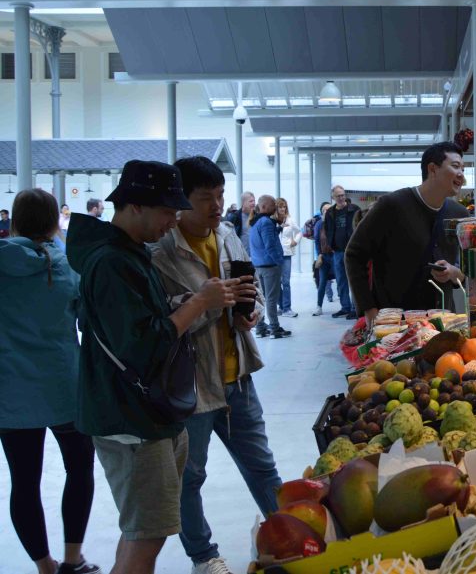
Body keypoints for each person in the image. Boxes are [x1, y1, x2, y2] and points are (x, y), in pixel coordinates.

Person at [66, 160, 239, 574]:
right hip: (132, 421)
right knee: (147, 533)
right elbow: (144, 346)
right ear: (134, 206)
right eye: (166, 211)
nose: (173, 220)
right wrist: (198, 303)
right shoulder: (111, 262)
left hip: (146, 415)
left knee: (144, 530)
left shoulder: (128, 254)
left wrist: (182, 305)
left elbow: (143, 323)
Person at [151, 157, 280, 574]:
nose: (216, 205)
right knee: (190, 478)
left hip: (237, 376)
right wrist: (205, 304)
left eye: (220, 195)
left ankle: (286, 537)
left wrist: (252, 312)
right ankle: (203, 556)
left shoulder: (227, 235)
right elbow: (162, 319)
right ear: (180, 200)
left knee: (262, 465)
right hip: (191, 386)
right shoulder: (161, 251)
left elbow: (251, 290)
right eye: (205, 197)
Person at [0, 189, 100, 574]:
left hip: (10, 391)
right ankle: (73, 560)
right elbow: (87, 321)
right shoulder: (67, 265)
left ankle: (45, 567)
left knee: (23, 482)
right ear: (55, 221)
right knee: (80, 469)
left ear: (15, 221)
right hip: (64, 384)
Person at [346, 142, 469, 323]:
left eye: (463, 169)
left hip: (442, 323)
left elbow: (466, 271)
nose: (461, 174)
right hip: (395, 324)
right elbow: (354, 254)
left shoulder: (460, 214)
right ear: (432, 169)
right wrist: (368, 307)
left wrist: (453, 273)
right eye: (455, 166)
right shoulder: (391, 206)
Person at [249, 195, 291, 339]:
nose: (275, 207)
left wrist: (277, 229)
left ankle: (261, 327)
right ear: (265, 207)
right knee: (271, 298)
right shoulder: (266, 222)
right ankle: (275, 328)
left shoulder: (255, 222)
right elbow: (270, 245)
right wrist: (279, 261)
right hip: (270, 266)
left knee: (261, 298)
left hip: (258, 265)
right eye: (273, 205)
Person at [321, 185, 362, 319]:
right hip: (338, 251)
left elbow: (361, 226)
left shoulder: (354, 209)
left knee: (354, 280)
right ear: (333, 197)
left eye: (343, 195)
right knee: (341, 280)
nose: (341, 198)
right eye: (338, 196)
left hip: (353, 250)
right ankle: (345, 307)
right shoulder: (330, 212)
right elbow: (327, 229)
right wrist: (331, 244)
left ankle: (356, 308)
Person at [276, 198, 302, 319]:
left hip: (286, 253)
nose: (282, 209)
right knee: (276, 282)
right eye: (280, 206)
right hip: (275, 254)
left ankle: (287, 308)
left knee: (285, 282)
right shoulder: (272, 221)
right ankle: (281, 306)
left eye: (284, 206)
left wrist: (295, 241)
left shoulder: (290, 220)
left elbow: (299, 232)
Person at [312, 202, 336, 315]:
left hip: (336, 256)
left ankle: (347, 307)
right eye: (324, 210)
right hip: (324, 257)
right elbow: (317, 242)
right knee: (322, 282)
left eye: (329, 209)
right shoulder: (319, 224)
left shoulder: (336, 223)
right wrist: (319, 255)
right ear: (322, 212)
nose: (326, 211)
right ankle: (319, 306)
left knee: (342, 282)